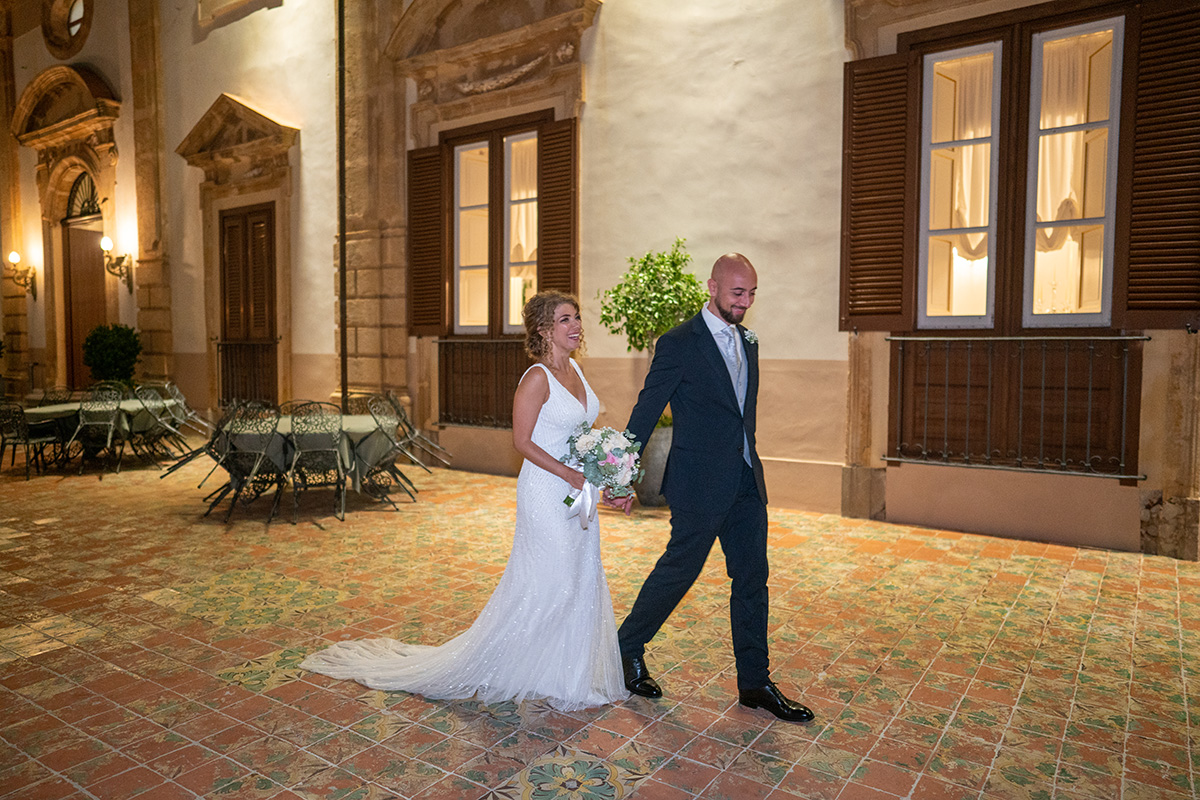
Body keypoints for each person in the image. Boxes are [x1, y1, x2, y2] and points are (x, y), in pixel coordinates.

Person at [300, 291, 627, 711]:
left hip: (576, 490)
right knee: (553, 579)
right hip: (546, 491)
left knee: (580, 576)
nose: (577, 325)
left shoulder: (577, 371)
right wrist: (568, 473)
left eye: (577, 317)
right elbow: (522, 441)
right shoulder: (536, 378)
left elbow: (584, 434)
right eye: (566, 319)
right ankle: (514, 665)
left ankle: (562, 672)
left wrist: (608, 475)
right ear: (545, 330)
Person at [610, 253, 814, 722]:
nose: (745, 302)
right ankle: (626, 647)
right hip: (698, 482)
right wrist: (620, 471)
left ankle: (755, 682)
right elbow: (647, 407)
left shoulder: (750, 340)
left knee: (752, 579)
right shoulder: (680, 343)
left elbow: (742, 414)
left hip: (745, 480)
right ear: (713, 287)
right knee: (679, 571)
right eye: (737, 293)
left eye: (752, 294)